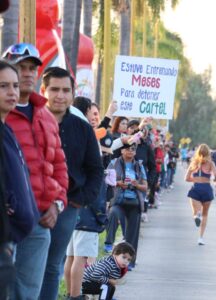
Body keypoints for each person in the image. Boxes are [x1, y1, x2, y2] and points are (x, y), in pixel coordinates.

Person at [3, 43, 69, 300]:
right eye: (21, 67)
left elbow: (60, 166)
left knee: (29, 293)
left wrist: (57, 205)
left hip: (41, 220)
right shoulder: (4, 115)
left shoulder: (45, 114)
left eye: (32, 68)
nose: (28, 73)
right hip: (7, 220)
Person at [40, 67, 104, 300]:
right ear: (43, 90)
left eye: (66, 90)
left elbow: (95, 170)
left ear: (72, 93)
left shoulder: (83, 129)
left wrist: (81, 199)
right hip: (32, 203)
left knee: (53, 265)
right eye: (54, 89)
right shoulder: (32, 122)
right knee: (25, 263)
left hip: (68, 205)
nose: (60, 95)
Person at [0, 61, 39, 299]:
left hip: (11, 238)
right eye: (3, 86)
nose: (12, 92)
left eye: (14, 86)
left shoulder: (7, 129)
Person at [105, 143, 147, 271]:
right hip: (118, 200)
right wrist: (118, 183)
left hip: (134, 202)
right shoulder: (114, 163)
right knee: (113, 213)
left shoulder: (139, 165)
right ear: (122, 150)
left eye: (133, 149)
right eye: (128, 148)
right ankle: (109, 243)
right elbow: (107, 180)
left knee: (132, 234)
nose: (130, 151)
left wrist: (136, 185)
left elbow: (145, 186)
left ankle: (129, 262)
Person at [185, 144, 216, 245]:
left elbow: (186, 178)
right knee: (205, 215)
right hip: (207, 189)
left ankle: (196, 215)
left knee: (196, 212)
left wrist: (195, 179)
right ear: (208, 153)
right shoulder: (211, 163)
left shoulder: (194, 163)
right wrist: (212, 179)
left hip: (196, 188)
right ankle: (200, 238)